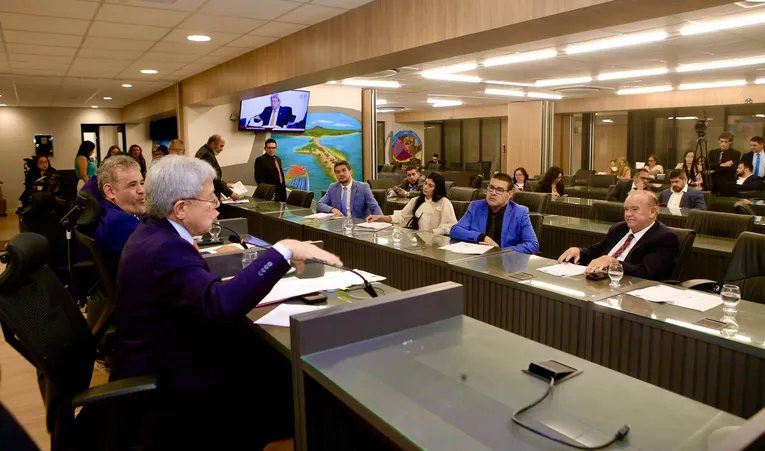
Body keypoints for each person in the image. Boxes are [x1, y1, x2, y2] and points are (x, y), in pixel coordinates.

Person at [111, 155, 341, 449]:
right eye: (210, 200)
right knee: (292, 376)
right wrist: (283, 250)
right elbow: (221, 305)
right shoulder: (165, 248)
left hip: (170, 353)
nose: (217, 206)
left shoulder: (154, 233)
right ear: (181, 208)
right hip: (176, 380)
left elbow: (192, 290)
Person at [558, 190, 678, 281]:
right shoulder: (619, 228)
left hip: (631, 293)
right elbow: (597, 250)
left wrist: (615, 263)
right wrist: (579, 251)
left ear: (652, 212)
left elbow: (647, 273)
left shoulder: (664, 238)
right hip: (600, 282)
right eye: (626, 209)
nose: (628, 214)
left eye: (634, 209)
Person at [450, 172, 539, 254]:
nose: (493, 193)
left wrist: (501, 251)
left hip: (506, 264)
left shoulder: (520, 212)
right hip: (478, 261)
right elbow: (455, 231)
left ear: (510, 193)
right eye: (491, 188)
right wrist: (482, 237)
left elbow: (532, 245)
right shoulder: (476, 206)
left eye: (499, 190)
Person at [91, 155, 146, 283]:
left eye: (142, 183)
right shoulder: (120, 222)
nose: (141, 190)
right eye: (132, 185)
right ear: (110, 191)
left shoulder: (110, 211)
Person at [367, 173, 457, 235]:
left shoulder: (444, 202)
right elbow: (401, 217)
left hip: (438, 242)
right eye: (425, 183)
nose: (425, 187)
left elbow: (450, 226)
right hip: (419, 241)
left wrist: (431, 232)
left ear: (438, 188)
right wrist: (379, 217)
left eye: (430, 186)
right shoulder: (416, 200)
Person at [316, 160, 382, 218]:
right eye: (338, 172)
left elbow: (375, 207)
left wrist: (383, 224)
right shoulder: (332, 187)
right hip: (338, 226)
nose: (341, 174)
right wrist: (332, 209)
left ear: (350, 172)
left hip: (359, 227)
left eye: (344, 170)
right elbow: (319, 205)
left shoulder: (363, 187)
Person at [195, 134, 239, 200]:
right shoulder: (207, 155)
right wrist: (230, 193)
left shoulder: (203, 150)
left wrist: (225, 184)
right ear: (213, 144)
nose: (222, 149)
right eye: (221, 146)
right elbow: (213, 178)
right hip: (208, 195)